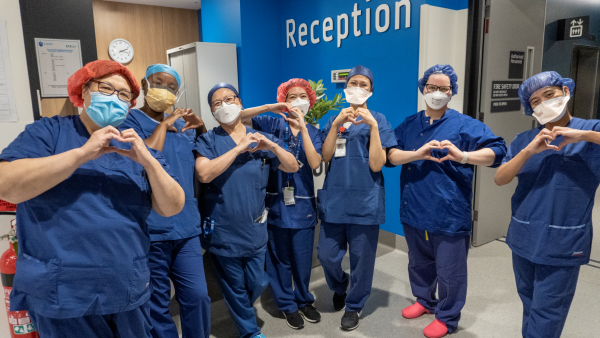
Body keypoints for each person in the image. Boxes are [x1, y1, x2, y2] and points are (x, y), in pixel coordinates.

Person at [0, 60, 184, 338]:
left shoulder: (135, 147)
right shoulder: (49, 132)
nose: (116, 98)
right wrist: (81, 154)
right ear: (84, 90)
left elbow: (172, 206)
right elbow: (6, 185)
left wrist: (149, 162)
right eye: (106, 88)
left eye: (124, 95)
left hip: (126, 288)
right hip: (62, 294)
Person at [387, 64, 507, 338]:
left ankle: (448, 316)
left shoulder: (465, 125)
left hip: (449, 211)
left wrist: (463, 156)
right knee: (418, 263)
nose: (437, 93)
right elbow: (391, 156)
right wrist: (417, 154)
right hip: (414, 207)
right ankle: (424, 301)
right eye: (432, 87)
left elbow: (498, 151)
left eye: (444, 88)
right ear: (423, 89)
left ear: (452, 92)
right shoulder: (409, 124)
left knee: (450, 271)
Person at [494, 71, 600, 338]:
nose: (542, 103)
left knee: (548, 311)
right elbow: (500, 177)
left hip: (563, 241)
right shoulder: (523, 139)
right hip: (524, 235)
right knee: (529, 301)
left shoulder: (590, 129)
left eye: (549, 95)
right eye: (535, 101)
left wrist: (583, 136)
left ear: (565, 92)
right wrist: (529, 150)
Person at [195, 82, 299, 338]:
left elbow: (293, 166)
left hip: (254, 229)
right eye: (217, 103)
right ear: (212, 111)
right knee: (233, 287)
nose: (225, 106)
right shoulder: (207, 140)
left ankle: (243, 313)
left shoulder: (260, 137)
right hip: (223, 230)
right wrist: (239, 148)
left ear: (240, 104)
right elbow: (205, 174)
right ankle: (249, 332)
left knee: (257, 281)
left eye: (230, 99)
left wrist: (273, 147)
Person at [120, 64, 210, 338]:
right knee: (156, 304)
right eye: (159, 84)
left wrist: (202, 126)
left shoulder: (183, 125)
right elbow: (144, 155)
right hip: (150, 230)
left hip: (186, 228)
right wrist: (165, 124)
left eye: (172, 87)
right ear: (145, 85)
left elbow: (203, 155)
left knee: (198, 297)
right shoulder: (129, 122)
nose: (166, 91)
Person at [317, 65, 396, 331]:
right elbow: (326, 156)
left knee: (363, 259)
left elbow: (377, 164)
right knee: (327, 255)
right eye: (353, 83)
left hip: (365, 200)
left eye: (364, 84)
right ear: (346, 87)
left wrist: (373, 127)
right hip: (335, 199)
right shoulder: (333, 118)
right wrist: (336, 125)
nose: (358, 87)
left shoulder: (379, 119)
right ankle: (341, 285)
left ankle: (354, 305)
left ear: (370, 90)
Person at [240, 78, 323, 330]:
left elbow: (314, 162)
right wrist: (268, 107)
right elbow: (239, 118)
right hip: (277, 205)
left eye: (302, 96)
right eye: (291, 97)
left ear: (310, 101)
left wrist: (305, 130)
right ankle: (287, 304)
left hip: (304, 207)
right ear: (284, 101)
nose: (297, 100)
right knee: (279, 259)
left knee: (301, 258)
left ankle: (304, 300)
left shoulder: (316, 132)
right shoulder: (273, 124)